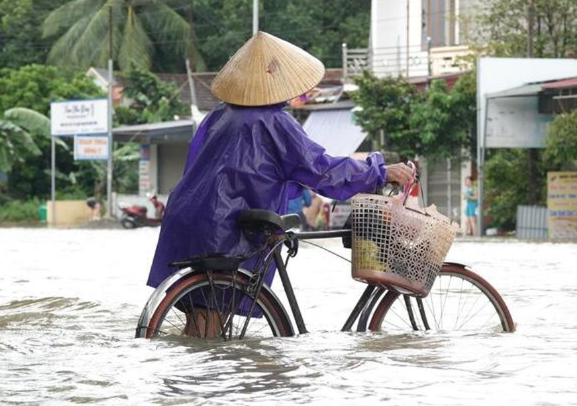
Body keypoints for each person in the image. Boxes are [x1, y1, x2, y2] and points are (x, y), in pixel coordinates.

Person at [146, 32, 413, 336]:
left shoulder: (217, 115)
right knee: (212, 326)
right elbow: (323, 171)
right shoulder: (275, 122)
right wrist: (378, 170)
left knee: (200, 323)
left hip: (186, 216)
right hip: (225, 226)